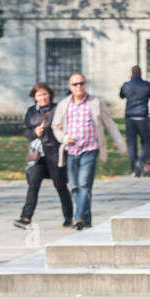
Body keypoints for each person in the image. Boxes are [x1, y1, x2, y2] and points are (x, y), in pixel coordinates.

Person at [52, 73, 126, 229]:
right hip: (71, 150)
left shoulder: (96, 103)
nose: (78, 86)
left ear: (85, 85)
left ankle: (78, 217)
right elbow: (55, 126)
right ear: (70, 87)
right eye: (75, 84)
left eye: (81, 83)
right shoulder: (64, 105)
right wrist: (64, 138)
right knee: (74, 186)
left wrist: (121, 144)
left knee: (84, 184)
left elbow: (110, 124)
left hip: (90, 149)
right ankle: (86, 218)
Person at [13, 82, 73, 229]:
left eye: (45, 94)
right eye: (39, 95)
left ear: (50, 95)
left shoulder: (58, 109)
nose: (42, 97)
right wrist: (34, 133)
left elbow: (65, 125)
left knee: (60, 185)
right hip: (37, 156)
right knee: (33, 185)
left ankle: (68, 217)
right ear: (34, 97)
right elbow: (26, 131)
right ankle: (25, 218)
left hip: (54, 153)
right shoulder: (31, 111)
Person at [119, 65, 150, 176]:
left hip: (130, 117)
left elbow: (121, 95)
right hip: (142, 116)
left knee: (131, 144)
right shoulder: (147, 85)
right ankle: (141, 161)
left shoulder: (126, 85)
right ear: (141, 73)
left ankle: (134, 169)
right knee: (148, 141)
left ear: (131, 74)